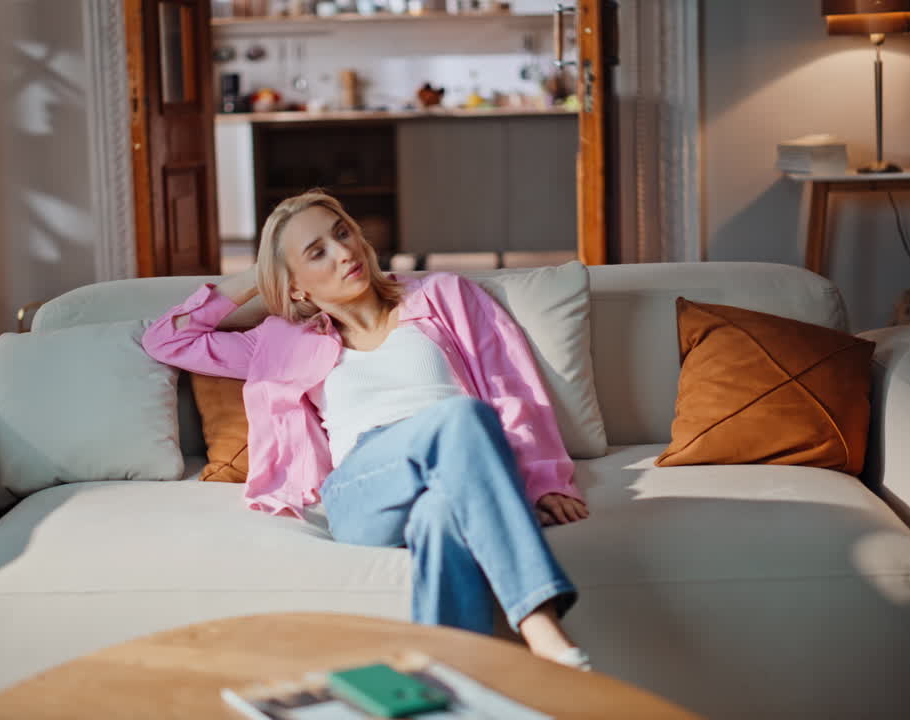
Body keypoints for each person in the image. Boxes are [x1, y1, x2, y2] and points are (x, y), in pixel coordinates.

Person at [142, 190, 592, 669]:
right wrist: (261, 276)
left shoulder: (444, 296)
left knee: (440, 513)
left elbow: (512, 387)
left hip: (461, 466)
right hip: (363, 489)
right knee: (460, 416)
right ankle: (538, 619)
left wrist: (545, 479)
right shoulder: (281, 341)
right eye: (317, 252)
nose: (344, 252)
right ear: (296, 288)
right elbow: (168, 338)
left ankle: (452, 679)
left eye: (342, 234)